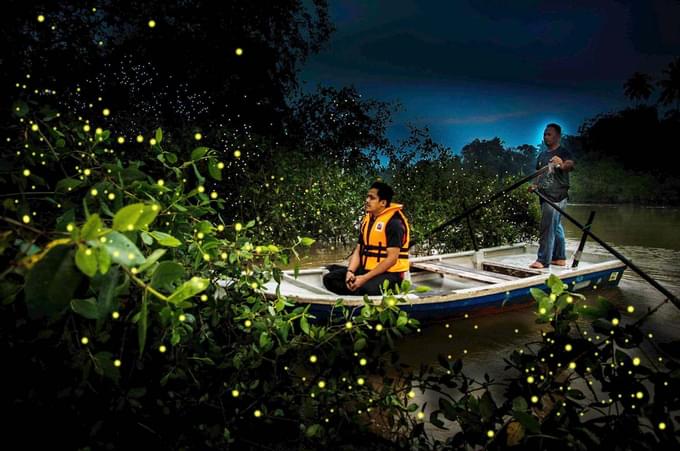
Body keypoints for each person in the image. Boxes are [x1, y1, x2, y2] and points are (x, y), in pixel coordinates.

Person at [323, 181, 410, 296]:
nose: (367, 200)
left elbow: (391, 259)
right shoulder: (368, 220)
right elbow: (359, 250)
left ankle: (356, 291)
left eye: (372, 198)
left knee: (365, 291)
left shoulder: (394, 223)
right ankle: (355, 289)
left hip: (390, 274)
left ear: (383, 202)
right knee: (329, 279)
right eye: (367, 197)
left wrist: (363, 278)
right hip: (366, 270)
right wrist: (350, 272)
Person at [529, 123, 575, 269]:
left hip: (557, 196)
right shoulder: (542, 155)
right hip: (544, 195)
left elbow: (570, 165)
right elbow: (539, 173)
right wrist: (534, 185)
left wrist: (561, 164)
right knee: (556, 227)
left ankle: (543, 260)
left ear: (558, 136)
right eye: (545, 134)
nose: (546, 137)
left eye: (549, 134)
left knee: (547, 227)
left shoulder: (563, 152)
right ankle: (559, 258)